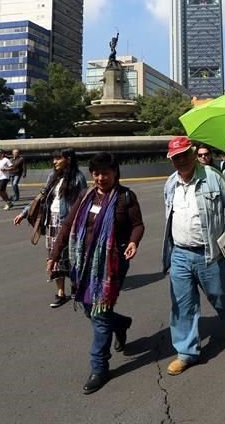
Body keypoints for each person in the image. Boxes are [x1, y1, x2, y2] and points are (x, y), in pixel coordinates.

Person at [48, 152, 145, 394]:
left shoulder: (125, 197)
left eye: (105, 173)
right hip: (83, 261)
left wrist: (134, 241)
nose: (100, 177)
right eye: (96, 173)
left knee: (100, 314)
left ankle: (99, 367)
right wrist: (54, 255)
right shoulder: (85, 196)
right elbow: (68, 225)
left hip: (112, 263)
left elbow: (137, 225)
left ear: (115, 174)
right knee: (89, 308)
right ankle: (121, 323)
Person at [162, 136, 225, 376]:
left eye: (185, 155)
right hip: (180, 253)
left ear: (193, 153)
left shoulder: (212, 177)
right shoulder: (170, 184)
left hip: (210, 252)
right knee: (182, 305)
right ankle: (186, 352)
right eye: (176, 158)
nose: (181, 161)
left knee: (220, 295)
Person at [13, 148, 89, 307]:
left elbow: (84, 202)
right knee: (53, 256)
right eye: (53, 159)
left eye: (58, 158)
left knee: (71, 255)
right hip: (51, 222)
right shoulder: (53, 177)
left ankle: (76, 287)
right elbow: (40, 196)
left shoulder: (78, 178)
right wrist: (24, 212)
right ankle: (60, 292)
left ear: (68, 159)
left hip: (69, 222)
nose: (54, 162)